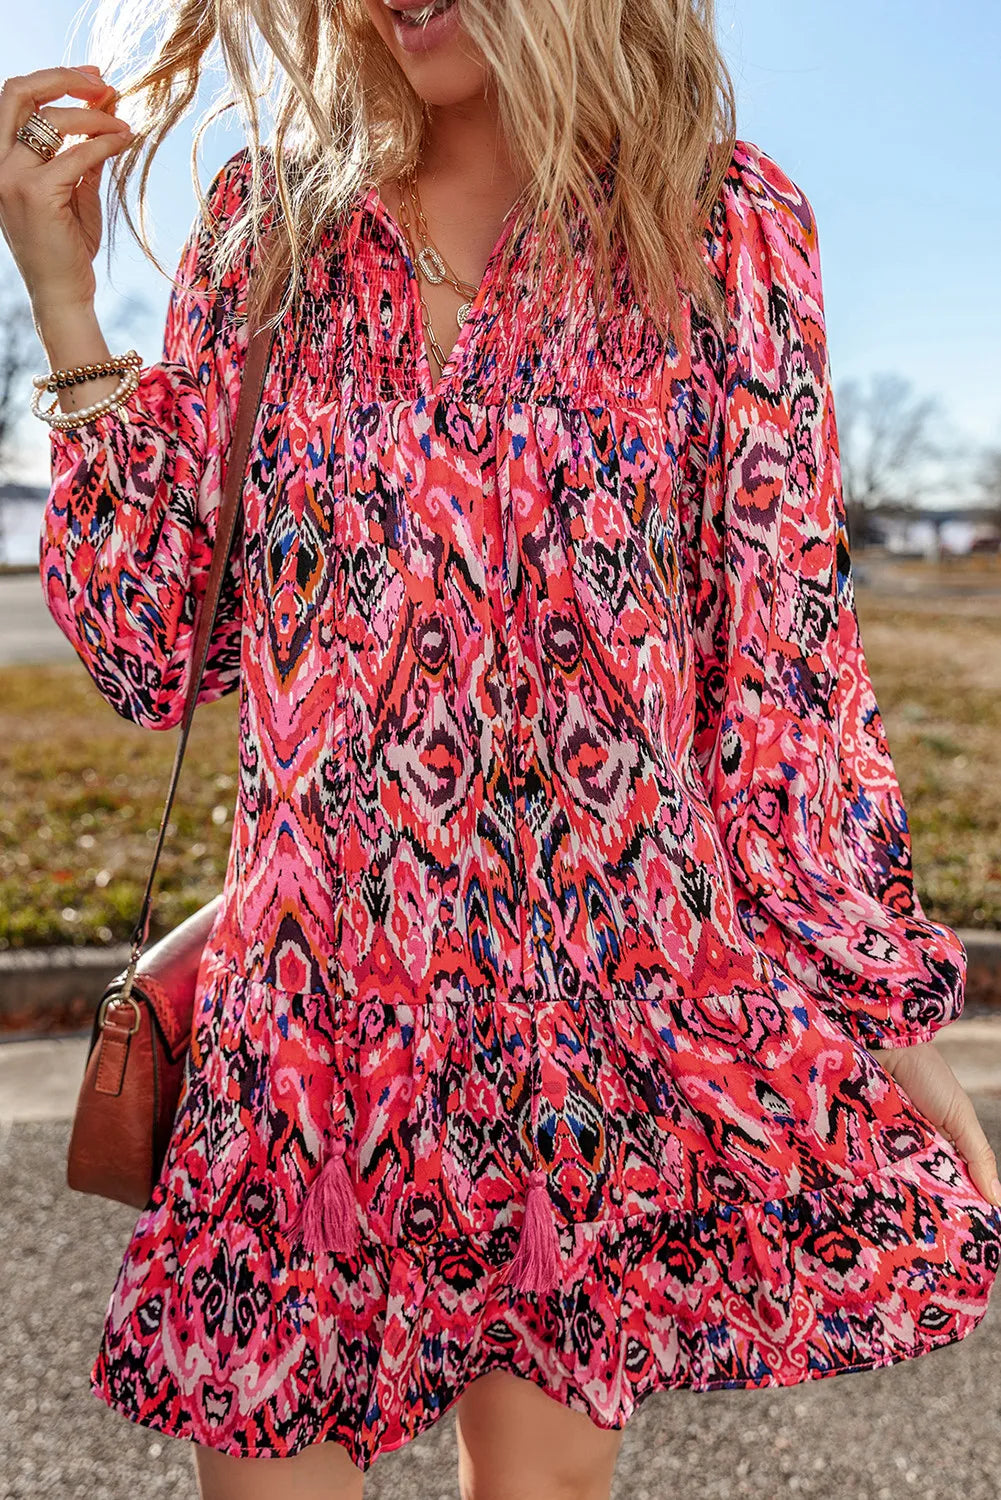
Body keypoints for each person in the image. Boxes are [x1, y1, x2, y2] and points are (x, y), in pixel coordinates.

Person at [2, 2, 1000, 1496]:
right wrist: (67, 304)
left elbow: (781, 663)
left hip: (591, 1018)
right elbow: (157, 652)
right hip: (313, 1019)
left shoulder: (714, 225)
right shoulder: (265, 229)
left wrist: (876, 1008)